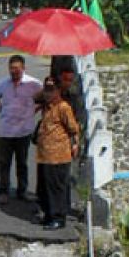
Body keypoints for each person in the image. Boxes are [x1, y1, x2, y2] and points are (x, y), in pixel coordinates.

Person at [0, 55, 42, 204]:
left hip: (23, 130)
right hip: (6, 130)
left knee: (22, 163)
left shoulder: (33, 83)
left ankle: (22, 191)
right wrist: (2, 110)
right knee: (4, 163)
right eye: (12, 69)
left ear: (23, 68)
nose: (14, 72)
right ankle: (3, 191)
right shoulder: (3, 83)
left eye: (17, 69)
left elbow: (45, 97)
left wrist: (33, 111)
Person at [35, 77, 81, 230]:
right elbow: (33, 98)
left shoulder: (63, 108)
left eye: (51, 90)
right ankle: (48, 215)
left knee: (56, 188)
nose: (48, 94)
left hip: (58, 155)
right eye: (46, 90)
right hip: (44, 155)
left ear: (58, 91)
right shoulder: (46, 107)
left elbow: (73, 129)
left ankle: (58, 218)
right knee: (44, 187)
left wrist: (75, 145)